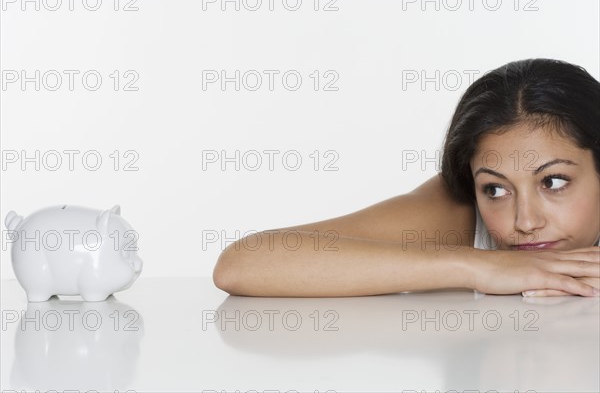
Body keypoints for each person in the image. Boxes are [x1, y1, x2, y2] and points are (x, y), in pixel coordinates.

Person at [213, 58, 600, 298]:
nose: (525, 222)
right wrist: (476, 267)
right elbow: (242, 265)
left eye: (553, 182)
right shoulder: (460, 212)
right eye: (495, 189)